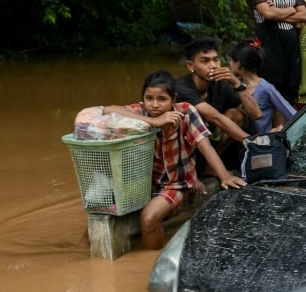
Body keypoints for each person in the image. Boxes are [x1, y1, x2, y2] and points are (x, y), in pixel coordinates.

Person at [100, 71, 246, 249]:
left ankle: (151, 264)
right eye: (149, 98)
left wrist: (224, 176)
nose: (154, 105)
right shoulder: (142, 112)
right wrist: (153, 122)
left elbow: (204, 145)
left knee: (149, 219)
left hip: (176, 184)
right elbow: (107, 110)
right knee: (99, 219)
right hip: (145, 183)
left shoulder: (185, 112)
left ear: (173, 99)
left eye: (162, 99)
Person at [176, 37, 261, 171]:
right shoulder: (182, 87)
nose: (213, 65)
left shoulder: (220, 83)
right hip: (186, 147)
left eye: (216, 60)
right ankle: (201, 169)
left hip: (212, 143)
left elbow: (256, 114)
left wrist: (236, 83)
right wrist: (253, 142)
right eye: (205, 61)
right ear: (190, 66)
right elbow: (216, 118)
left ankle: (211, 166)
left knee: (237, 114)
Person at [249, 0, 306, 104]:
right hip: (269, 48)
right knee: (270, 91)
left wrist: (278, 13)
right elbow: (267, 14)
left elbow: (304, 16)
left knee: (291, 91)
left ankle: (286, 128)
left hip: (292, 49)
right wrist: (290, 10)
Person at [228, 39, 296, 134]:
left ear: (238, 63)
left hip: (262, 141)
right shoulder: (233, 85)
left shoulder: (266, 88)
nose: (229, 64)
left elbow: (288, 111)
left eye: (230, 61)